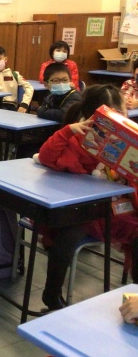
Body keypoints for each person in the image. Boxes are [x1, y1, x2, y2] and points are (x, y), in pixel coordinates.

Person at [36, 84, 138, 311]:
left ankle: (136, 298)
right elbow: (47, 157)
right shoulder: (79, 136)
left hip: (117, 209)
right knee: (68, 234)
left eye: (120, 115)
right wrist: (68, 131)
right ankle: (52, 293)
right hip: (84, 210)